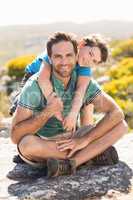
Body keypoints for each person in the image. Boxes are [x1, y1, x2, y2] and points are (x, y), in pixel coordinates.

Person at [11, 32, 128, 177]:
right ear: (81, 45)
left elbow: (81, 92)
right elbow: (43, 79)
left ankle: (73, 162)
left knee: (119, 124)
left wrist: (83, 137)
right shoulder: (49, 62)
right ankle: (91, 154)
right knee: (26, 138)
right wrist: (53, 106)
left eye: (94, 60)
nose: (89, 60)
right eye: (90, 53)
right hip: (38, 82)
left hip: (67, 136)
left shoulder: (84, 69)